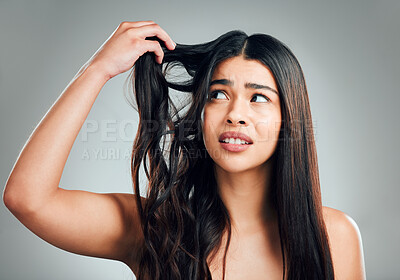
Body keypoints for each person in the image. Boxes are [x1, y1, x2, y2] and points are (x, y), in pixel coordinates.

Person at [3, 21, 366, 280]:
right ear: (200, 115)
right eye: (218, 94)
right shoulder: (154, 228)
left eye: (258, 98)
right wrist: (97, 70)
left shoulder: (334, 236)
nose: (236, 114)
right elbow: (27, 199)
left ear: (289, 118)